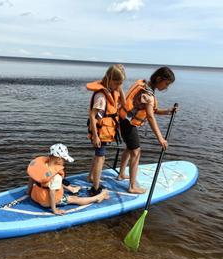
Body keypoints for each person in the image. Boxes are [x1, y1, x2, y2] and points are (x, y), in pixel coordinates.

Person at [118, 66, 176, 194]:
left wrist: (167, 111)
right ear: (158, 78)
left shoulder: (143, 84)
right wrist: (160, 138)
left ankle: (121, 174)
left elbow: (152, 111)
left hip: (124, 120)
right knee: (136, 152)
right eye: (166, 84)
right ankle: (132, 186)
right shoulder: (148, 94)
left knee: (130, 148)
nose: (166, 87)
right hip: (128, 123)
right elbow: (150, 116)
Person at [27, 143, 109, 215]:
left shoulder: (40, 167)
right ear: (59, 159)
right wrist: (54, 209)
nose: (64, 162)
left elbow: (31, 179)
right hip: (46, 202)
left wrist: (28, 193)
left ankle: (72, 189)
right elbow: (52, 193)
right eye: (64, 160)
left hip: (35, 196)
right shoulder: (56, 176)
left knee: (51, 183)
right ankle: (97, 198)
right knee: (74, 199)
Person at [86, 64, 126, 196]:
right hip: (99, 131)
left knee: (99, 156)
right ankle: (95, 188)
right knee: (100, 158)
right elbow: (92, 115)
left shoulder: (111, 91)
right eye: (117, 83)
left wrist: (119, 88)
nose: (119, 86)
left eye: (121, 84)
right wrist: (96, 136)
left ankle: (91, 177)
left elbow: (124, 103)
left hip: (105, 130)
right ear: (109, 79)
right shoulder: (102, 96)